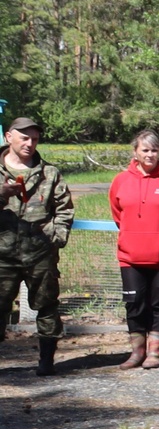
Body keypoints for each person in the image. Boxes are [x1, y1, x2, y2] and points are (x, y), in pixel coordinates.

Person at [0, 114, 74, 374]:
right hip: (2, 255)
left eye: (35, 139)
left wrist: (57, 237)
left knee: (47, 306)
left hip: (41, 254)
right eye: (24, 138)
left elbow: (64, 209)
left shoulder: (49, 172)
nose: (30, 144)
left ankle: (46, 361)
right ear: (9, 137)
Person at [109, 129, 159, 368]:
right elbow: (118, 214)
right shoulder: (121, 180)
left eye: (154, 150)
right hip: (130, 256)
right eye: (145, 150)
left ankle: (155, 353)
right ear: (135, 152)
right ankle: (136, 352)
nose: (150, 155)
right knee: (134, 304)